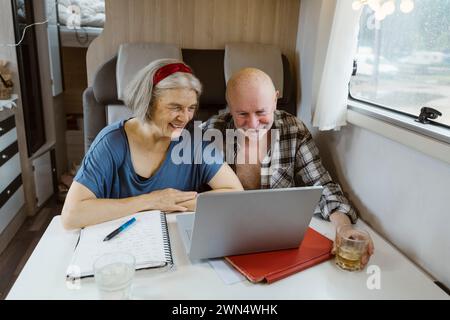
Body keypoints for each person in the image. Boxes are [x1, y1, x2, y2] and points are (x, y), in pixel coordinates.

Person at [202, 68, 374, 267]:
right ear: (229, 107)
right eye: (242, 114)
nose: (253, 123)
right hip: (223, 237)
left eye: (261, 112)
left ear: (275, 100)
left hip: (277, 239)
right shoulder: (210, 132)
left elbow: (323, 187)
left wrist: (343, 227)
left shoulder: (294, 130)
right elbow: (191, 192)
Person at [61, 59, 243, 230]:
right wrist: (150, 201)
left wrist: (170, 203)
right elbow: (71, 216)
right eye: (175, 107)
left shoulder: (195, 141)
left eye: (191, 108)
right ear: (147, 102)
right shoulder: (111, 143)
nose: (185, 118)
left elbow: (235, 195)